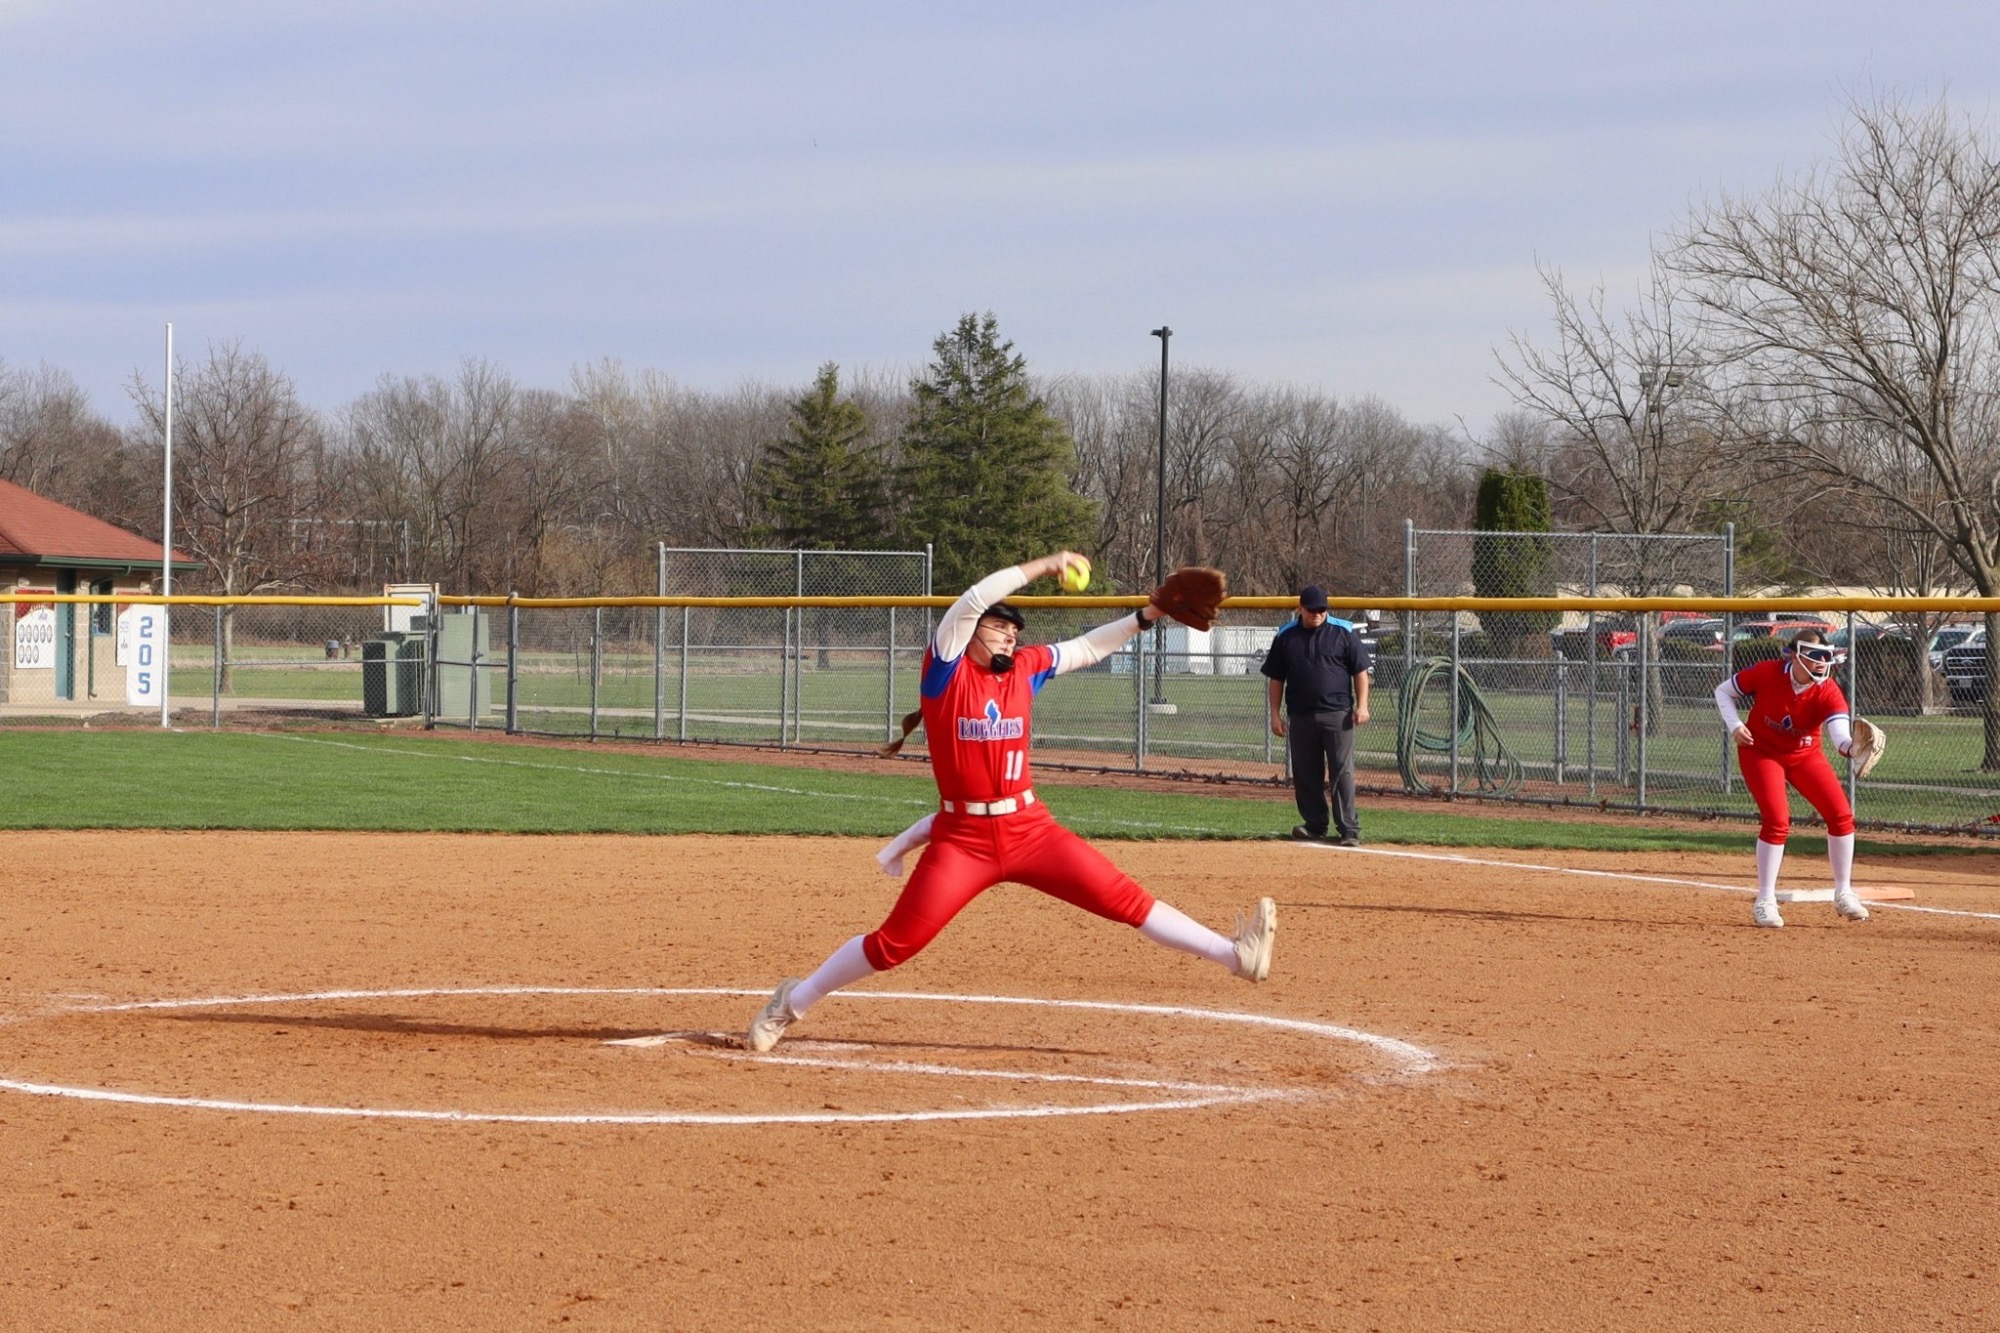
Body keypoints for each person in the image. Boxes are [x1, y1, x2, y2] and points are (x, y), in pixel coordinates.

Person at [746, 551, 1278, 1053]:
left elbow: (1089, 647)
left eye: (1014, 629)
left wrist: (1148, 615)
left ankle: (1236, 956)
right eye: (998, 627)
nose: (1008, 635)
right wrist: (1046, 565)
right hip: (963, 842)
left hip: (1030, 829)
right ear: (969, 634)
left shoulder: (1025, 668)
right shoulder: (945, 673)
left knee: (1125, 900)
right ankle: (789, 1004)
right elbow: (975, 598)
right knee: (894, 945)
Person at [1712, 628, 1869, 928]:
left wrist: (1854, 748)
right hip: (1761, 752)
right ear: (1795, 656)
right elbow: (1724, 691)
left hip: (1805, 756)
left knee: (1841, 815)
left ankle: (1844, 892)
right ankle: (1765, 900)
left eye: (1826, 657)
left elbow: (1840, 738)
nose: (1822, 663)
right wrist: (1734, 725)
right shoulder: (1768, 673)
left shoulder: (1827, 690)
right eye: (1814, 656)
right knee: (1777, 820)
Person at [1261, 585, 1372, 847]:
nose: (1318, 614)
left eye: (1322, 609)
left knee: (1341, 772)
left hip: (1338, 714)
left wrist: (1363, 705)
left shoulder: (1343, 632)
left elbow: (1360, 672)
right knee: (1305, 773)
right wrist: (1275, 715)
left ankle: (1349, 829)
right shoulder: (1286, 636)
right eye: (1312, 610)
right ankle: (1315, 825)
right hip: (1300, 715)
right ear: (1300, 609)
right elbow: (1276, 678)